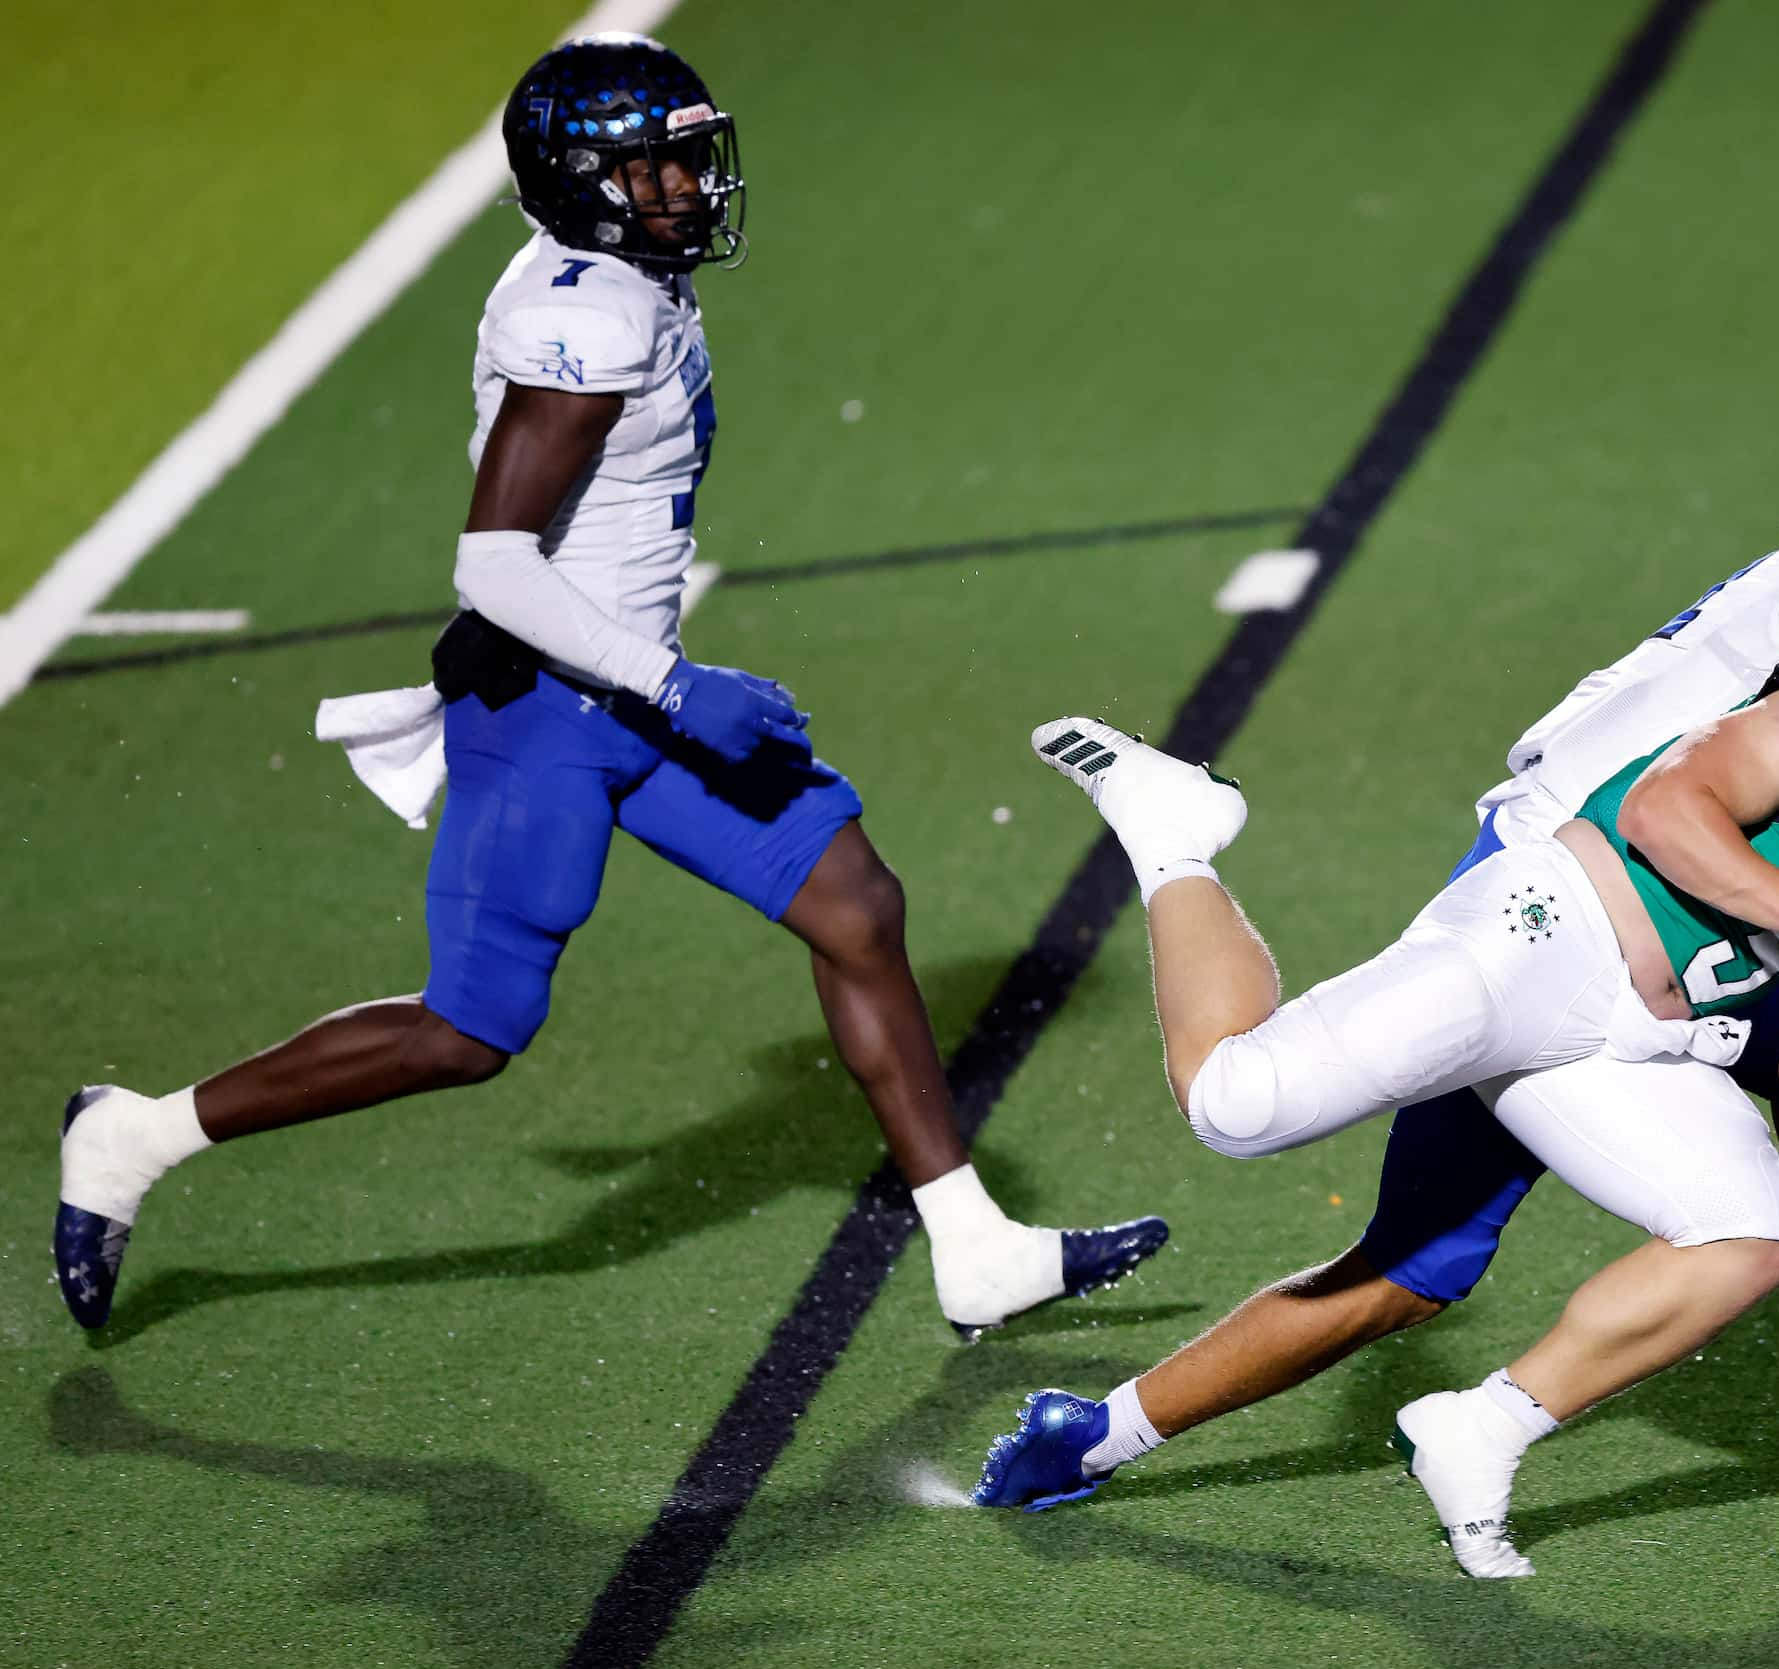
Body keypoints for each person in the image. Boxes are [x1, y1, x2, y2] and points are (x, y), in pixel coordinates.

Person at [50, 34, 1163, 1341]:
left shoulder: (629, 277)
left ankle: (973, 1249)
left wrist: (666, 677)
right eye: (661, 166)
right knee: (471, 1028)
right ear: (585, 180)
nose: (692, 185)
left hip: (633, 687)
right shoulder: (581, 313)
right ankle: (135, 1135)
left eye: (692, 157)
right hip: (549, 710)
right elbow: (495, 563)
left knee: (854, 903)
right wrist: (673, 686)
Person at [975, 398, 1779, 1570]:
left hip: (1664, 953)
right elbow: (1719, 780)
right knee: (1295, 1155)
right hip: (1568, 898)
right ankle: (1170, 837)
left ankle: (1124, 1438)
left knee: (1701, 1216)